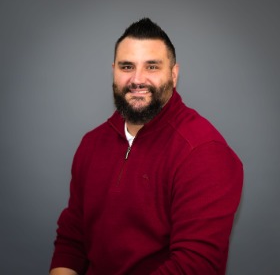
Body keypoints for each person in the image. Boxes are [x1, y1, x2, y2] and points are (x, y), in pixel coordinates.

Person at [50, 18, 243, 275]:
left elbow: (196, 266)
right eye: (127, 66)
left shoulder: (205, 152)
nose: (137, 79)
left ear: (173, 75)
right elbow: (72, 239)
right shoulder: (91, 144)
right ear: (114, 71)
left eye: (152, 66)